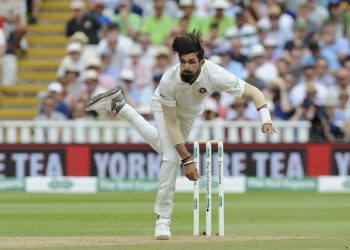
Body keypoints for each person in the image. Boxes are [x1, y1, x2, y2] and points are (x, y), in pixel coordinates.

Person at [85, 30, 276, 240]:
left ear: (201, 63)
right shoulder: (169, 80)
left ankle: (120, 106)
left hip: (189, 114)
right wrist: (187, 159)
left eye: (192, 62)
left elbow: (255, 93)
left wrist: (265, 119)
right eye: (183, 61)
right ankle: (162, 219)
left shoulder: (214, 74)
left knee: (162, 145)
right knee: (171, 157)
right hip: (165, 107)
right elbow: (171, 125)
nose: (186, 67)